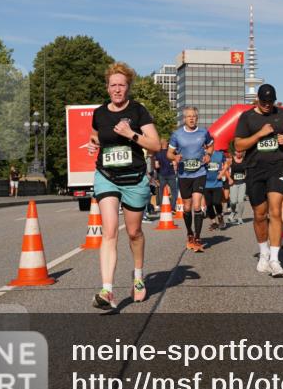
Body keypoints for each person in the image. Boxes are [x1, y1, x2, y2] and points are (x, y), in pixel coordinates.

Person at [86, 62, 161, 309]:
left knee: (133, 233)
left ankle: (138, 278)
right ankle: (107, 291)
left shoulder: (139, 111)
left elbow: (156, 145)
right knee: (109, 232)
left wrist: (132, 135)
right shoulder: (100, 113)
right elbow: (97, 136)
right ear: (107, 88)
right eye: (113, 85)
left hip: (134, 179)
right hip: (106, 175)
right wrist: (93, 144)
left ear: (128, 87)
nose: (117, 89)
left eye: (122, 85)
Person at [233, 84, 283, 277]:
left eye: (270, 102)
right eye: (264, 102)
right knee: (260, 214)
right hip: (254, 169)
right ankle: (264, 253)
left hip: (277, 167)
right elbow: (238, 144)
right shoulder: (247, 117)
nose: (268, 105)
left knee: (275, 211)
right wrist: (259, 134)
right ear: (258, 100)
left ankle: (275, 259)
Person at [168, 107, 214, 252]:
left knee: (196, 206)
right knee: (187, 207)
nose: (191, 119)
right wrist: (175, 157)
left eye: (194, 116)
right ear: (184, 119)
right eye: (189, 116)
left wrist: (208, 155)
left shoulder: (204, 132)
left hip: (200, 172)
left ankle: (198, 238)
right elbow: (169, 153)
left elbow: (211, 146)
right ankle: (189, 233)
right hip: (184, 174)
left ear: (197, 118)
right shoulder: (177, 135)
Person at [204, 147, 227, 231]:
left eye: (208, 144)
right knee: (209, 204)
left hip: (217, 183)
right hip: (205, 184)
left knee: (217, 202)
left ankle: (220, 216)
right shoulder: (202, 154)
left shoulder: (220, 154)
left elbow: (227, 163)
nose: (206, 146)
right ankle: (214, 222)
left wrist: (222, 172)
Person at [153, 138, 178, 213]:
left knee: (161, 192)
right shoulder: (171, 153)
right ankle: (172, 207)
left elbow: (156, 165)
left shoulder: (157, 153)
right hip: (171, 174)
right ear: (167, 144)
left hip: (162, 174)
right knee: (174, 191)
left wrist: (156, 176)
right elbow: (175, 163)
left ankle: (162, 207)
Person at [228, 148, 248, 225]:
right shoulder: (231, 160)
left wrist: (246, 177)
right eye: (237, 152)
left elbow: (247, 170)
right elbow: (225, 169)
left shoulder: (245, 160)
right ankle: (233, 212)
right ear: (235, 152)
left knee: (241, 201)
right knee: (233, 201)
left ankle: (240, 218)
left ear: (243, 152)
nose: (239, 153)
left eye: (240, 152)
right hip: (233, 183)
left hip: (242, 183)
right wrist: (229, 178)